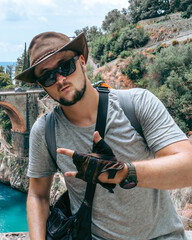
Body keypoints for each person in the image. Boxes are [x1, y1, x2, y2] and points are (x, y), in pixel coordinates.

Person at [15, 32, 192, 239]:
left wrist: (124, 172)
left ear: (81, 61)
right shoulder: (45, 131)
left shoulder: (137, 104)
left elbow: (188, 166)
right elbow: (38, 195)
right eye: (48, 75)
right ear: (42, 85)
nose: (60, 79)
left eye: (65, 66)